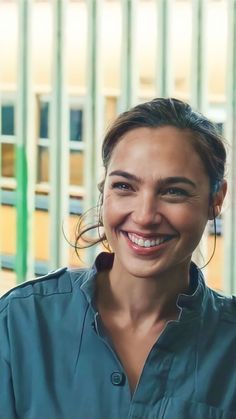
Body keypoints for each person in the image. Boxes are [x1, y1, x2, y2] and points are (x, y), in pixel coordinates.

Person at [0, 98, 235, 419]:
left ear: (215, 200)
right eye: (124, 186)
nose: (145, 216)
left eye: (174, 191)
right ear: (103, 192)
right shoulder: (19, 323)